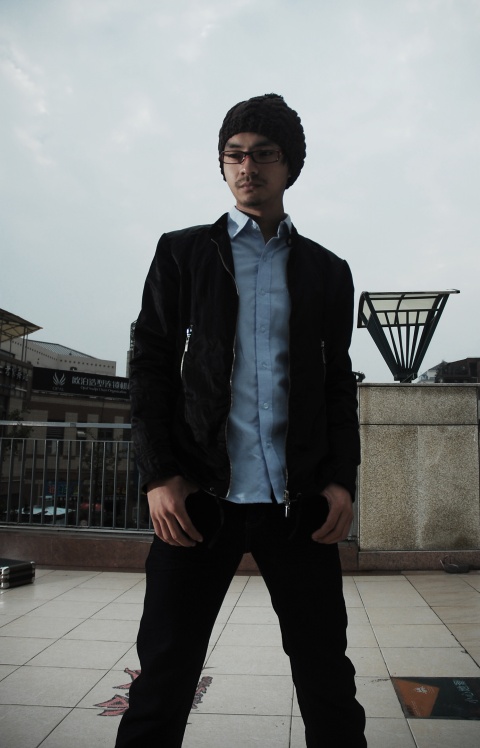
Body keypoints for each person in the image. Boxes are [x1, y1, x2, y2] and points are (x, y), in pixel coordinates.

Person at [115, 93, 367, 748]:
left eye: (263, 154)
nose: (246, 167)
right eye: (234, 155)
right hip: (198, 498)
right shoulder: (181, 253)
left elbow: (337, 383)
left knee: (327, 681)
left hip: (297, 504)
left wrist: (341, 480)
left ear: (289, 165)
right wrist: (159, 474)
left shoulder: (326, 271)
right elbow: (149, 365)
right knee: (162, 680)